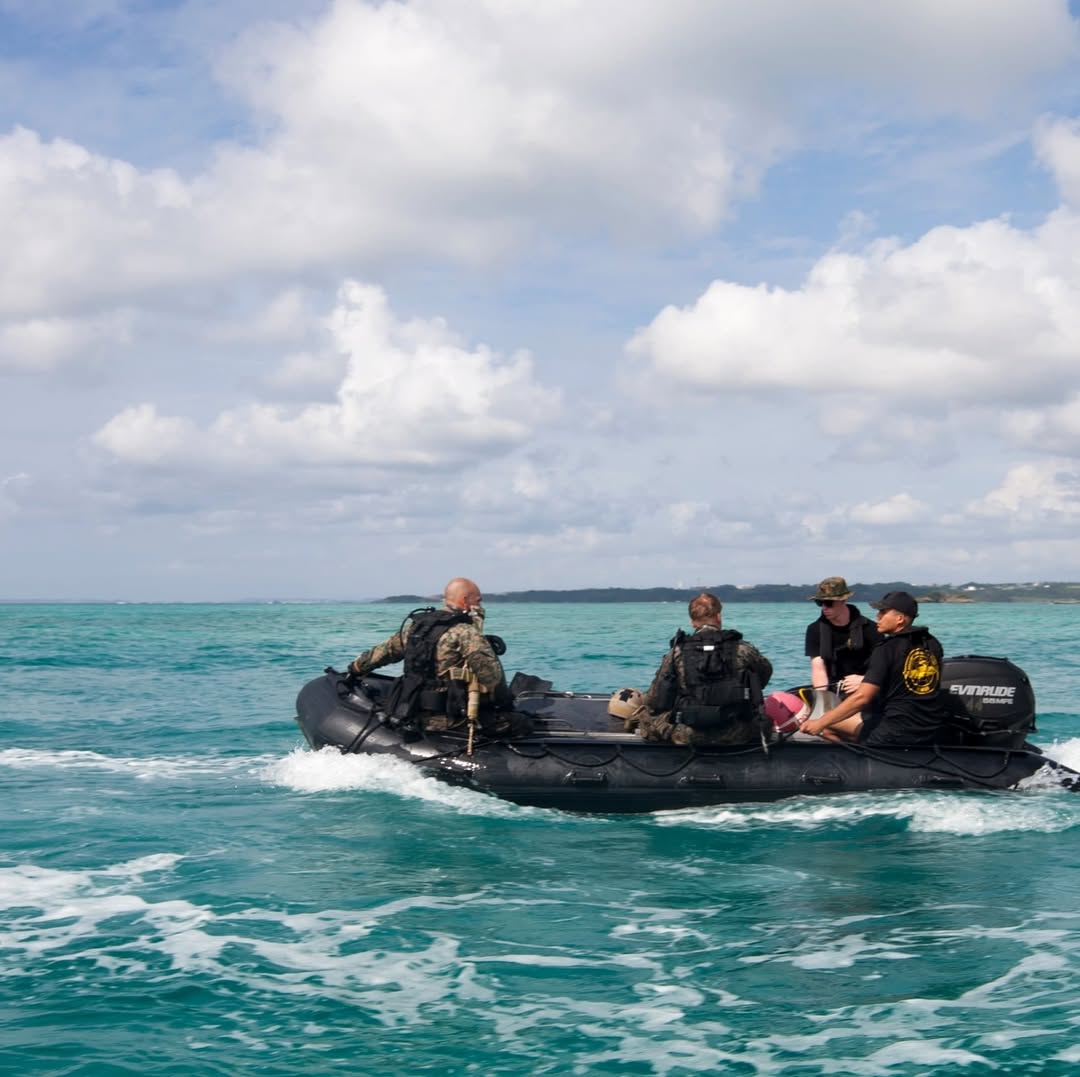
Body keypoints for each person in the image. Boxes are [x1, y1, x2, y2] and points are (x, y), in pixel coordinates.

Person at [347, 577, 510, 732]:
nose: (480, 605)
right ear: (465, 600)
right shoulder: (466, 633)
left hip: (412, 712)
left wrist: (355, 669)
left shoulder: (417, 628)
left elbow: (384, 652)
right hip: (450, 720)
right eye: (478, 601)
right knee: (519, 723)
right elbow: (492, 677)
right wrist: (505, 704)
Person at [800, 590, 951, 745]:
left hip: (895, 731)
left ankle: (859, 763)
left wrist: (819, 722)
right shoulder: (932, 643)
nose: (877, 617)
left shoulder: (885, 648)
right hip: (930, 728)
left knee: (829, 727)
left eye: (883, 612)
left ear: (899, 619)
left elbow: (862, 699)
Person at [640, 592, 773, 746]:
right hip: (736, 733)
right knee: (766, 720)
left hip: (688, 734)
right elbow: (764, 674)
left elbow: (655, 698)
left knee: (646, 718)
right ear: (718, 617)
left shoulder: (677, 652)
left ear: (692, 622)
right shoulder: (742, 649)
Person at [805, 576, 881, 696]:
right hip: (833, 689)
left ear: (843, 600)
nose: (824, 607)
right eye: (820, 603)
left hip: (865, 687)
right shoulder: (814, 630)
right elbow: (818, 670)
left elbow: (883, 666)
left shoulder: (871, 629)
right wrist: (823, 700)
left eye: (829, 603)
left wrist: (864, 680)